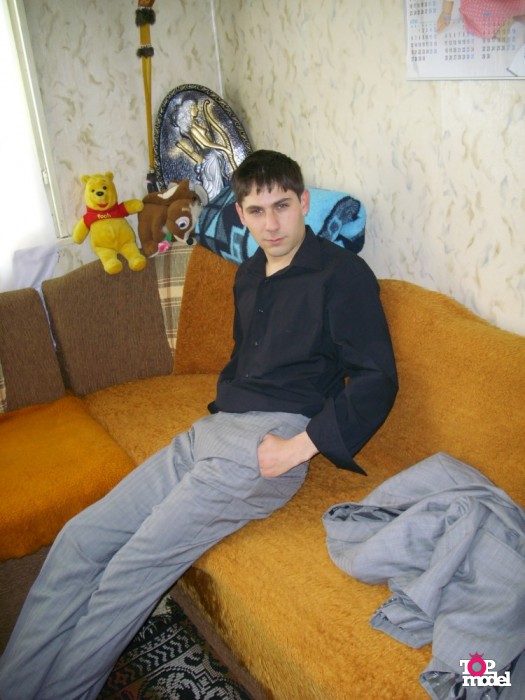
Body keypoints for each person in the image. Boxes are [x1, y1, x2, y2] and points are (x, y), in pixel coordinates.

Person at [0, 150, 398, 700]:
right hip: (210, 432)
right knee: (80, 540)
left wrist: (297, 448)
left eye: (282, 206)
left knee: (132, 569)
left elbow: (378, 378)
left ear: (304, 203)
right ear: (241, 213)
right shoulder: (250, 274)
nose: (271, 224)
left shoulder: (342, 275)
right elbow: (245, 359)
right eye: (256, 210)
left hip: (265, 445)